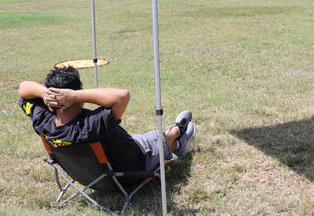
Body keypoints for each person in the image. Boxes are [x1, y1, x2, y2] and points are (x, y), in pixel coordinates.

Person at [18, 66, 195, 173]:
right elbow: (122, 96)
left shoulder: (43, 119)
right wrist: (76, 95)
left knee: (138, 137)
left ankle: (177, 140)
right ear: (77, 91)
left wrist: (43, 92)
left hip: (87, 174)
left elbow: (23, 88)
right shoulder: (90, 126)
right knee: (158, 137)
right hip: (129, 169)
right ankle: (178, 135)